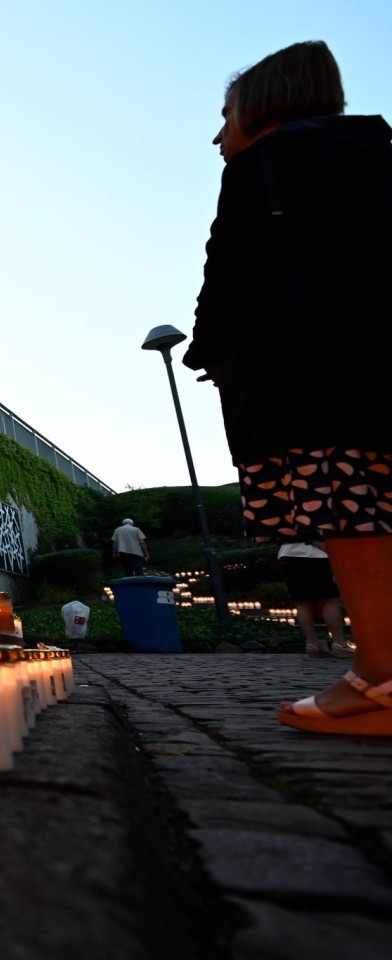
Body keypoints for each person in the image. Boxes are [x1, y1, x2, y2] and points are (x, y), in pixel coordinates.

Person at [182, 41, 392, 735]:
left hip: (315, 365)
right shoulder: (373, 154)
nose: (219, 134)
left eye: (226, 114)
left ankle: (382, 681)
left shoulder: (266, 165)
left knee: (350, 515)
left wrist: (206, 348)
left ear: (264, 106)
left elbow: (231, 265)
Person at [277, 541, 352, 659]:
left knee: (303, 602)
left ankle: (312, 642)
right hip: (318, 554)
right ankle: (339, 643)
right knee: (331, 599)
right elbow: (311, 533)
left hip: (290, 553)